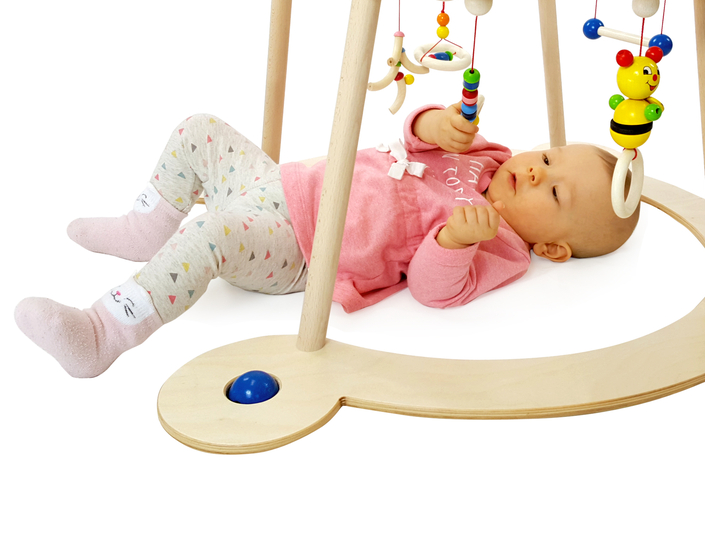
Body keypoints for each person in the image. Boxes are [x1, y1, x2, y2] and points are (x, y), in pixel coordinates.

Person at [14, 103, 639, 377]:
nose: (537, 172)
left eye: (555, 195)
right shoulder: (491, 154)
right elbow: (412, 138)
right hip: (284, 183)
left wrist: (452, 242)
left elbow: (433, 290)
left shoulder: (501, 246)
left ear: (553, 248)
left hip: (297, 243)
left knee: (209, 236)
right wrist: (435, 123)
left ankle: (101, 333)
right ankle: (143, 228)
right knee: (199, 129)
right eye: (549, 158)